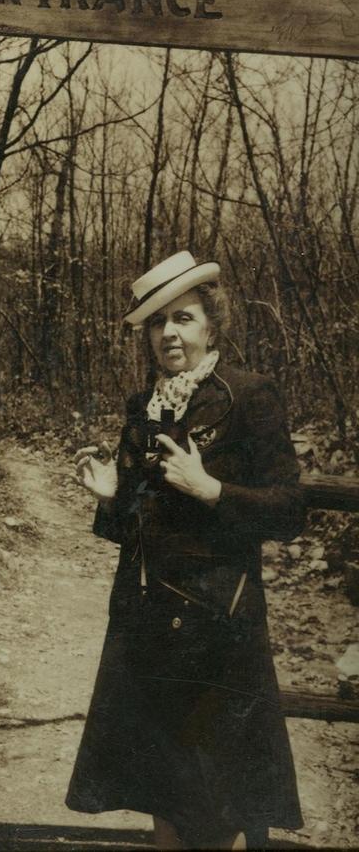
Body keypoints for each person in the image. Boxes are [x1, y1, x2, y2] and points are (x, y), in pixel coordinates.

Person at [65, 251, 305, 851]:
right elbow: (133, 527)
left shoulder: (249, 397)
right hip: (147, 615)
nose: (169, 333)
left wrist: (213, 490)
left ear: (211, 325)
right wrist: (110, 498)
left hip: (219, 614)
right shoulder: (141, 406)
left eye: (184, 318)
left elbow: (289, 511)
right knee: (162, 781)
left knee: (222, 789)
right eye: (157, 322)